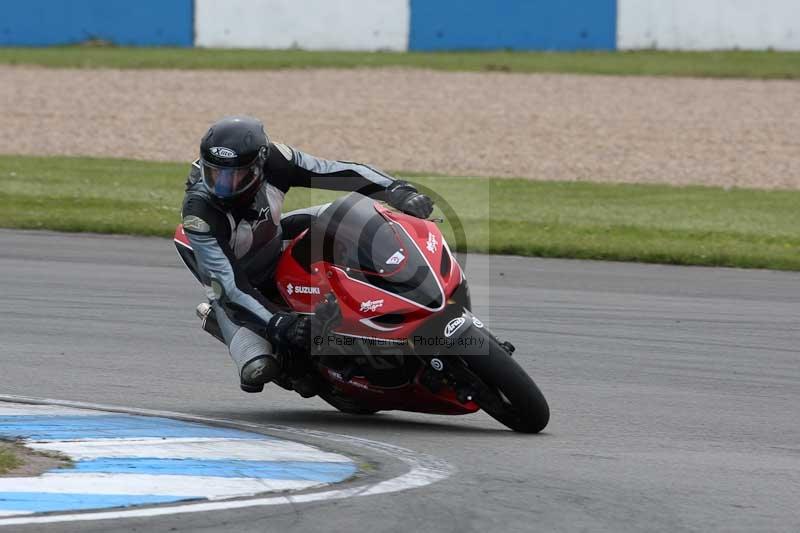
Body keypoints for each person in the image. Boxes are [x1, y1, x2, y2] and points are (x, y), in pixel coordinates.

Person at [179, 116, 434, 394]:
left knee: (355, 214)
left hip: (274, 241)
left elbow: (339, 172)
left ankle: (400, 289)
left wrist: (397, 190)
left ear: (259, 165)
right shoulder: (199, 213)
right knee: (258, 367)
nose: (223, 187)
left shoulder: (277, 159)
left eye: (235, 175)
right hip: (239, 287)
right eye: (215, 174)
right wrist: (279, 323)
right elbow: (228, 287)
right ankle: (298, 369)